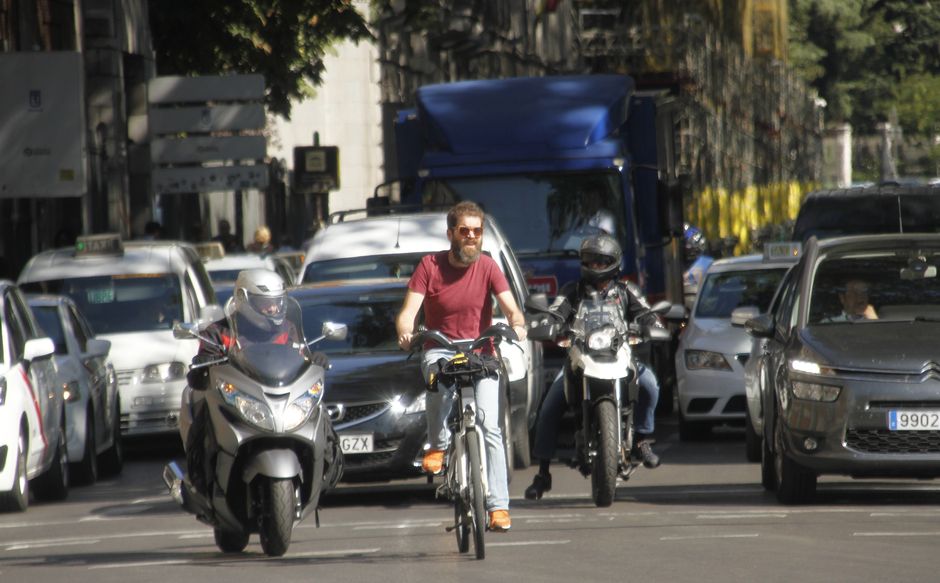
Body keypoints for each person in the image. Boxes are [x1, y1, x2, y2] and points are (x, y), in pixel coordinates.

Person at [395, 201, 527, 532]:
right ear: (451, 233)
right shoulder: (430, 266)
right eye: (464, 231)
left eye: (477, 232)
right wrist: (406, 332)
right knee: (436, 383)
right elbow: (409, 312)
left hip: (480, 350)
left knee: (490, 426)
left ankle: (498, 507)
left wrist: (518, 324)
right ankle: (438, 445)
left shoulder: (487, 267)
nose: (471, 237)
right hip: (440, 348)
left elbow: (511, 308)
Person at [525, 233, 662, 501]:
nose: (596, 267)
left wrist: (653, 325)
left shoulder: (626, 291)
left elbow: (647, 313)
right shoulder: (571, 290)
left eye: (602, 262)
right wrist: (550, 324)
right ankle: (542, 474)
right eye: (591, 261)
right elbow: (556, 311)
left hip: (619, 355)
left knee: (650, 385)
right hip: (580, 357)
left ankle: (642, 438)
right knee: (549, 407)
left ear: (614, 263)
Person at [184, 269, 330, 495]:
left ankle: (325, 470)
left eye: (278, 303)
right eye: (266, 304)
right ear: (243, 299)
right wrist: (204, 362)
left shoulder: (288, 329)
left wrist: (314, 360)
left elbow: (301, 356)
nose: (273, 309)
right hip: (237, 401)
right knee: (204, 418)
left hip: (277, 401)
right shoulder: (218, 332)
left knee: (322, 415)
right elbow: (197, 376)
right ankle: (201, 481)